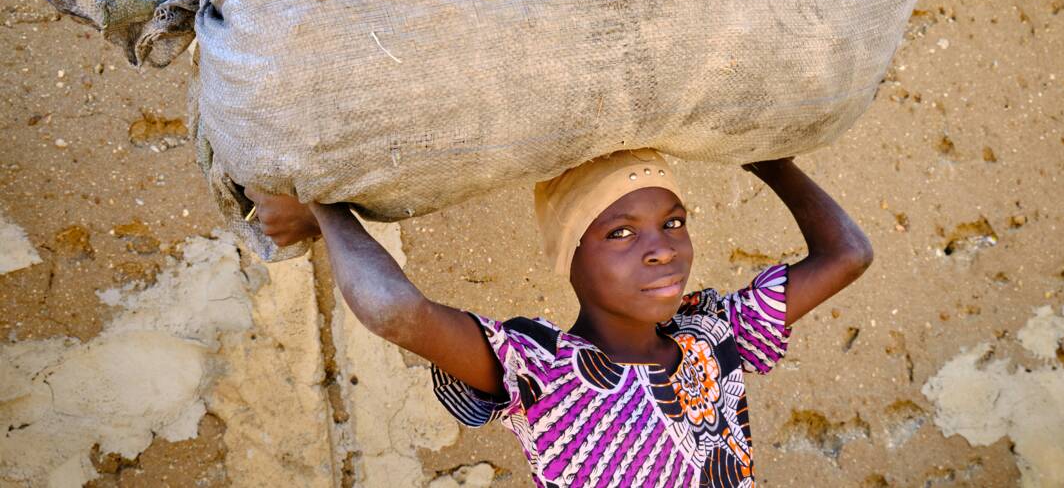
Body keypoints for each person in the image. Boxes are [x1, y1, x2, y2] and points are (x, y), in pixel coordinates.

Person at [246, 149, 871, 487]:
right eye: (620, 233)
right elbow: (395, 312)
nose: (662, 248)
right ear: (571, 259)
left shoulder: (710, 336)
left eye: (673, 222)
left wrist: (763, 154)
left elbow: (848, 255)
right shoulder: (542, 369)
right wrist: (323, 212)